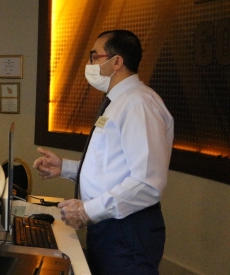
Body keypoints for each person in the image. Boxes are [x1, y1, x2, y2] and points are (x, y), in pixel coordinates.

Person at [33, 30, 174, 275]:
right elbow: (111, 166)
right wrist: (65, 167)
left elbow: (146, 184)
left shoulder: (139, 104)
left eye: (94, 56)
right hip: (108, 222)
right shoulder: (118, 101)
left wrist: (87, 211)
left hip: (127, 228)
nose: (89, 64)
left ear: (117, 61)